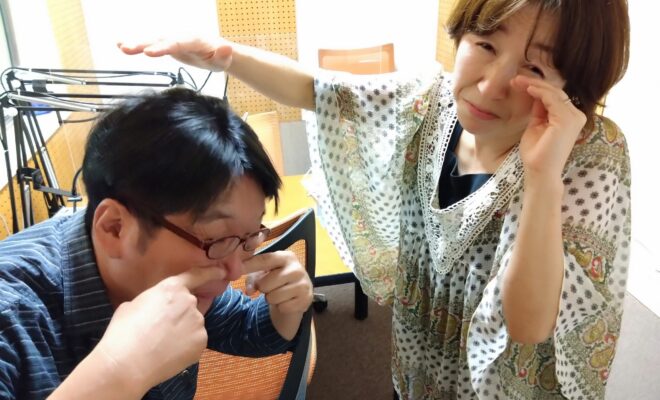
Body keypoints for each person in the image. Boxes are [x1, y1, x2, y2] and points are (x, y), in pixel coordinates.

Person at [119, 0, 631, 398]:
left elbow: (527, 323)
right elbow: (322, 90)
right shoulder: (431, 101)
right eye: (486, 45)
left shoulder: (587, 153)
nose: (491, 85)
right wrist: (224, 56)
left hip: (502, 378)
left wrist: (543, 177)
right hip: (420, 343)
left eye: (535, 70)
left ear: (575, 85)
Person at [0, 88, 313, 399]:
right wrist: (119, 370)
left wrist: (285, 308)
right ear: (114, 229)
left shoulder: (185, 275)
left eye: (248, 236)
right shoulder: (12, 315)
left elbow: (244, 329)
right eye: (216, 238)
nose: (234, 271)